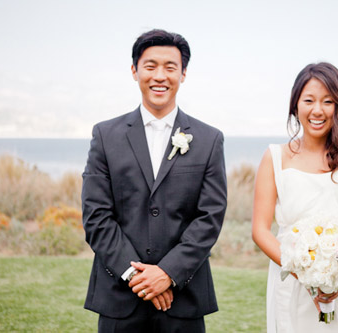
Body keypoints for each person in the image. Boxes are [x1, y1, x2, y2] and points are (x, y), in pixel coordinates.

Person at [81, 28, 227, 332]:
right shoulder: (105, 136)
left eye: (170, 67)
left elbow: (210, 217)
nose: (160, 76)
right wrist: (137, 277)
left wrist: (168, 273)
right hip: (119, 299)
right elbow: (96, 216)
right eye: (150, 66)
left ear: (183, 74)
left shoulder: (209, 139)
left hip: (183, 300)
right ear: (135, 71)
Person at [252, 62, 338, 332]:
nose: (317, 110)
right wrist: (306, 273)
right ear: (295, 105)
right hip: (291, 281)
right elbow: (260, 230)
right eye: (309, 100)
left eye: (328, 101)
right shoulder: (275, 157)